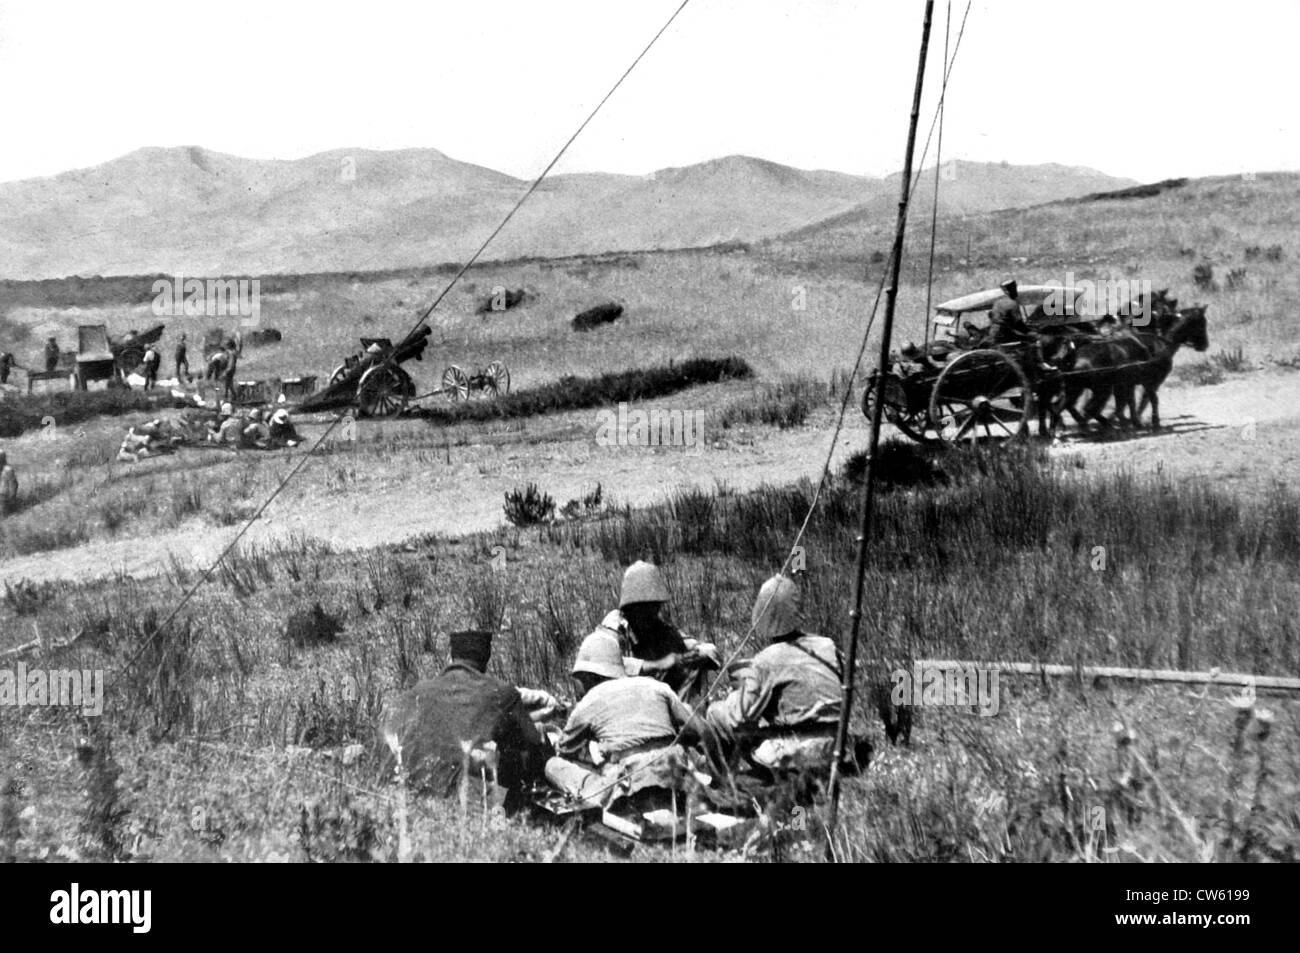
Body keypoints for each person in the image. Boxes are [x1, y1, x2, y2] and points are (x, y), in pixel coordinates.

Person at [706, 574, 865, 781]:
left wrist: (734, 695)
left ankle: (724, 787)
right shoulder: (827, 645)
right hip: (838, 745)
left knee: (716, 713)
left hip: (796, 751)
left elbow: (739, 716)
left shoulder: (767, 660)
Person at [546, 627, 719, 811]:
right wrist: (714, 771)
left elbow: (565, 750)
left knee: (553, 766)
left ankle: (599, 801)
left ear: (588, 676)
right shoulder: (657, 686)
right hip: (674, 773)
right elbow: (703, 730)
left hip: (628, 786)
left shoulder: (589, 701)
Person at [378, 629, 551, 810]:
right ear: (487, 658)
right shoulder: (504, 693)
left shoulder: (418, 691)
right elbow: (534, 746)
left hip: (414, 794)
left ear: (451, 656)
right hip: (468, 802)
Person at [611, 561, 720, 699]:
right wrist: (658, 665)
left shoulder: (657, 628)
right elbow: (607, 666)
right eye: (644, 607)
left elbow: (684, 642)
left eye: (655, 607)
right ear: (631, 607)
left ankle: (688, 716)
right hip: (623, 703)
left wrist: (695, 654)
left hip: (656, 701)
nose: (651, 613)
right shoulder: (613, 629)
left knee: (694, 667)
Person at [986, 279, 1034, 346]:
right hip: (1005, 336)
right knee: (1034, 340)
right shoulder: (1012, 303)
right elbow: (1018, 324)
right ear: (1008, 290)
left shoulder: (997, 302)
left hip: (993, 335)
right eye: (1014, 288)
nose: (1016, 290)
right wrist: (1030, 332)